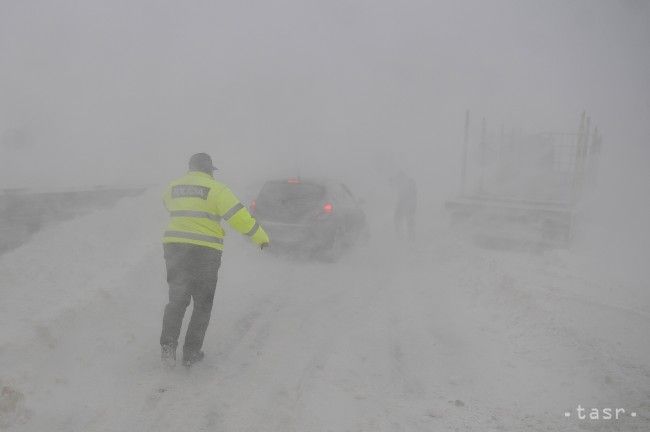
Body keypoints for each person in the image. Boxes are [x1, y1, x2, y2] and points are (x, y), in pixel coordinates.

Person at [160, 153, 269, 367]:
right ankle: (191, 354)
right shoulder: (217, 190)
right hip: (205, 251)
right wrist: (261, 238)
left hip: (175, 247)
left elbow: (167, 204)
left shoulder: (173, 187)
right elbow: (239, 217)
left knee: (177, 299)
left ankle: (167, 348)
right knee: (202, 303)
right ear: (209, 169)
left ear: (191, 168)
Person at [392, 171, 417, 240]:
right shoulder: (408, 183)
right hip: (408, 205)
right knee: (405, 220)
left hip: (406, 205)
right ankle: (408, 236)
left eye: (399, 178)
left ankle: (404, 236)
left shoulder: (407, 184)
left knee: (401, 220)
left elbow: (404, 196)